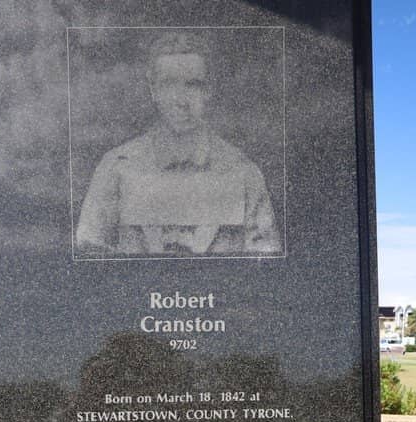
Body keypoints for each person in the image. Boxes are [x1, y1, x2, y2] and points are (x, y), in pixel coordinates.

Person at [76, 32, 281, 257]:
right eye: (168, 84)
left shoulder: (243, 173)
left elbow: (266, 266)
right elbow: (90, 259)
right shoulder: (115, 169)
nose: (181, 100)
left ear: (209, 90)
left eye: (193, 85)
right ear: (153, 90)